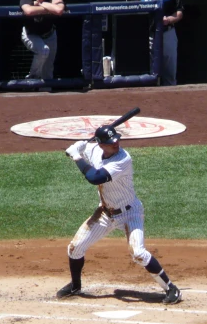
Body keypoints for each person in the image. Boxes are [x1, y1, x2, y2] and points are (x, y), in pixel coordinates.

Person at [59, 125, 183, 305]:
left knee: (138, 253)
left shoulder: (123, 159)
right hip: (105, 212)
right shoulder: (93, 149)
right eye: (110, 142)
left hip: (130, 212)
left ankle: (172, 288)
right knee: (75, 248)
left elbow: (95, 177)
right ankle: (75, 286)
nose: (116, 143)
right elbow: (85, 148)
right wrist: (78, 146)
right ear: (100, 144)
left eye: (117, 140)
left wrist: (76, 156)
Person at [127, 0, 184, 86]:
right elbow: (128, 15)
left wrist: (169, 19)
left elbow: (179, 12)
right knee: (147, 74)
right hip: (146, 35)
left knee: (170, 74)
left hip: (167, 33)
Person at [19, 0, 64, 80]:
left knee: (48, 72)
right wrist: (49, 6)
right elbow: (29, 11)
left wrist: (40, 4)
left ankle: (44, 92)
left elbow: (59, 10)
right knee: (43, 50)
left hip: (50, 34)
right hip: (30, 33)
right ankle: (32, 77)